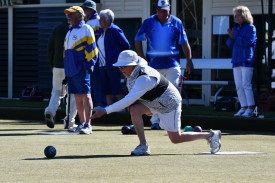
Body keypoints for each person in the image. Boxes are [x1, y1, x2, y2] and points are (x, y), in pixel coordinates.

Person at [91, 50, 221, 156]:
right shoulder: (132, 73)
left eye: (124, 66)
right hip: (152, 102)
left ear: (133, 65)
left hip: (169, 103)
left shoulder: (144, 78)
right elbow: (133, 100)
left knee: (175, 139)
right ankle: (143, 146)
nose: (121, 69)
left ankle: (211, 135)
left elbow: (127, 100)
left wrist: (105, 110)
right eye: (119, 67)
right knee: (134, 109)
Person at [135, 0, 193, 129]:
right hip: (153, 65)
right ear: (157, 10)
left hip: (172, 64)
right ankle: (156, 121)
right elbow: (138, 39)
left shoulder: (177, 22)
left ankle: (172, 121)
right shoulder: (148, 22)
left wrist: (189, 60)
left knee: (173, 93)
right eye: (160, 10)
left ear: (169, 9)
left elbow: (184, 43)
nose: (163, 13)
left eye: (165, 11)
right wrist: (142, 58)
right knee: (154, 93)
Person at [64, 6, 98, 134]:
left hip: (82, 69)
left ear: (80, 16)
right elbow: (66, 52)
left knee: (85, 95)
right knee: (77, 96)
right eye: (68, 14)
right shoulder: (69, 31)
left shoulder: (86, 28)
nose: (69, 16)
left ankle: (88, 125)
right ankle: (82, 123)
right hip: (71, 70)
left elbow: (93, 50)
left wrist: (87, 66)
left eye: (71, 14)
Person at [44, 20, 77, 129]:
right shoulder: (78, 29)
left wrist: (52, 63)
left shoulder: (57, 28)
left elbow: (50, 47)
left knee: (57, 91)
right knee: (72, 94)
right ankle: (69, 121)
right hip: (73, 66)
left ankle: (50, 111)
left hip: (58, 65)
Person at [226, 5, 257, 118]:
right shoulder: (236, 28)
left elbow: (246, 43)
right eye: (236, 15)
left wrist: (235, 36)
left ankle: (250, 108)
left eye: (239, 15)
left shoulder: (251, 28)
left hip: (246, 61)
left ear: (245, 15)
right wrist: (231, 36)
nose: (237, 17)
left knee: (246, 84)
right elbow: (229, 44)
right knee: (239, 85)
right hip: (236, 61)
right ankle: (243, 107)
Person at [97, 9, 130, 106]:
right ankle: (109, 108)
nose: (99, 21)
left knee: (116, 87)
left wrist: (118, 58)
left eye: (102, 19)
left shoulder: (115, 30)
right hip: (102, 64)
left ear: (108, 20)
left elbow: (126, 45)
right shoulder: (100, 31)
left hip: (112, 64)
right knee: (106, 88)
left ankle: (122, 107)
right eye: (99, 19)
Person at [81, 0, 106, 109]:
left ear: (92, 10)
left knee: (97, 81)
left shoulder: (96, 21)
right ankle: (97, 102)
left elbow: (97, 41)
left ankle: (101, 103)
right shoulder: (88, 22)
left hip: (96, 57)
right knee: (91, 81)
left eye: (86, 8)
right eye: (83, 8)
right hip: (89, 57)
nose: (84, 11)